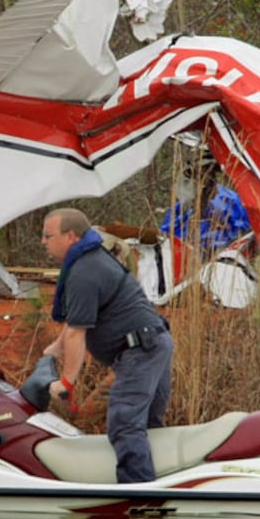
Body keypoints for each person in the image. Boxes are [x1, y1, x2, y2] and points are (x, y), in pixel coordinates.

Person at [42, 207, 173, 483]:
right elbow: (79, 316)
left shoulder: (84, 271)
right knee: (148, 424)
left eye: (48, 235)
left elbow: (77, 332)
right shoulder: (91, 259)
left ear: (70, 237)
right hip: (154, 342)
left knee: (125, 422)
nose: (43, 242)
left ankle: (138, 498)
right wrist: (56, 347)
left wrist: (66, 383)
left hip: (140, 349)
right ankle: (163, 484)